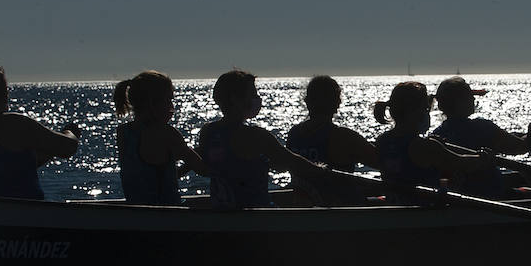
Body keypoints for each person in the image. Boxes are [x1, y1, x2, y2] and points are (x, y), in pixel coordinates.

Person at [197, 69, 333, 209]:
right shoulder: (256, 136)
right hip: (256, 217)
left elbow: (203, 166)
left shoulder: (208, 132)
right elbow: (292, 161)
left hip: (221, 213)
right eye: (252, 95)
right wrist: (324, 172)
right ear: (235, 99)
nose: (257, 99)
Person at [0, 65, 79, 200]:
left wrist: (48, 152)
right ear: (4, 92)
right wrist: (70, 132)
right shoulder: (11, 123)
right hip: (22, 214)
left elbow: (9, 168)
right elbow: (68, 147)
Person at [372, 81, 494, 202]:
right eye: (426, 109)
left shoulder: (382, 140)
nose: (427, 114)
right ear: (414, 112)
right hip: (423, 211)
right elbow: (462, 163)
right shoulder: (424, 146)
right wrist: (482, 157)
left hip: (395, 205)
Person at [113, 70, 210, 205]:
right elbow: (203, 169)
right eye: (169, 100)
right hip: (167, 214)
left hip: (137, 212)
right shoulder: (167, 133)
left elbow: (150, 177)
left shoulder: (124, 132)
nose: (172, 107)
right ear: (153, 103)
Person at [429, 76, 526, 197]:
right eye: (470, 95)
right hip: (490, 195)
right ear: (460, 101)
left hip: (461, 196)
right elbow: (518, 147)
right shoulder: (481, 127)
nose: (473, 98)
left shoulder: (436, 134)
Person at [285, 75, 378, 172]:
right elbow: (382, 162)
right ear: (336, 103)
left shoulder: (294, 134)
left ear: (307, 102)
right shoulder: (344, 137)